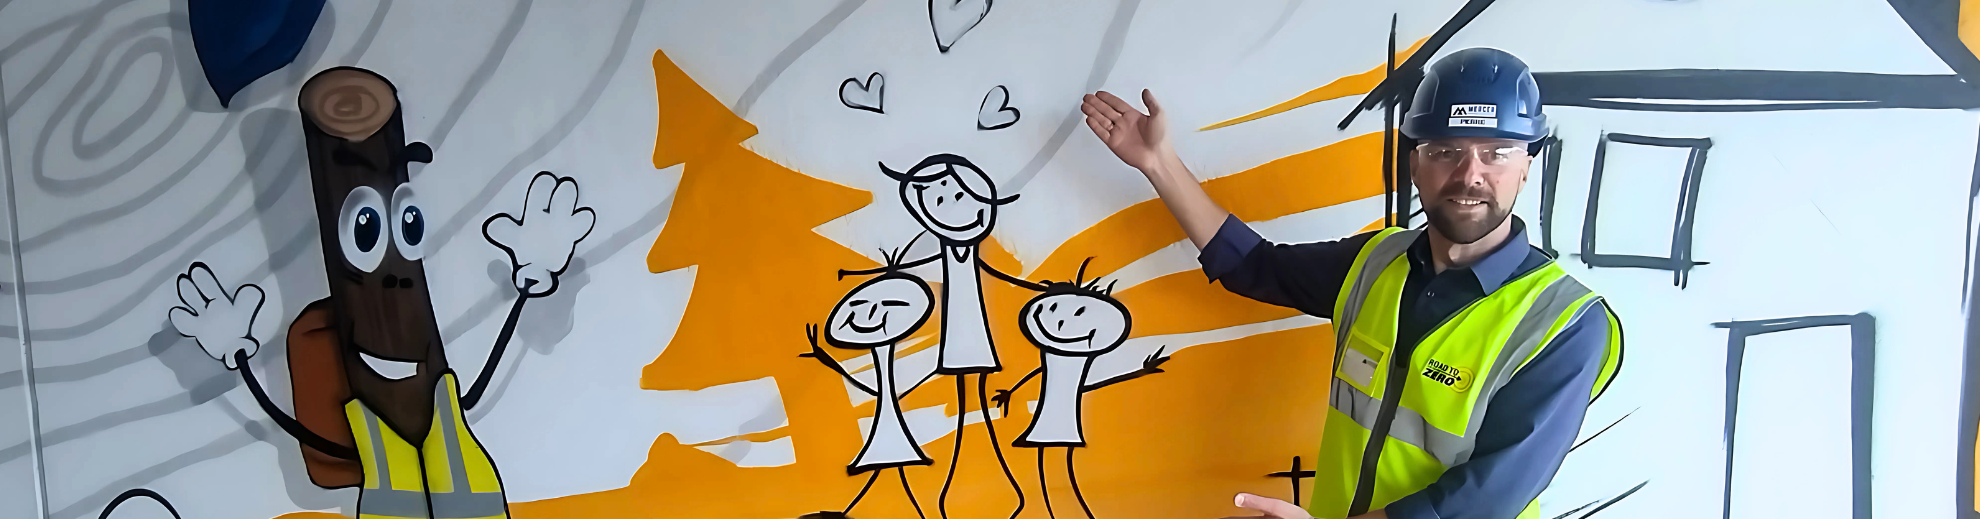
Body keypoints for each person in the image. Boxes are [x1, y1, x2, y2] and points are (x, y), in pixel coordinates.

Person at [1079, 48, 1624, 519]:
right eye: (1445, 151)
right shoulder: (1375, 263)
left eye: (1496, 152)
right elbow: (1252, 265)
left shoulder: (1564, 324)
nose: (1470, 174)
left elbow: (1480, 501)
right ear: (1415, 164)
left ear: (1527, 164)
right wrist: (1157, 162)